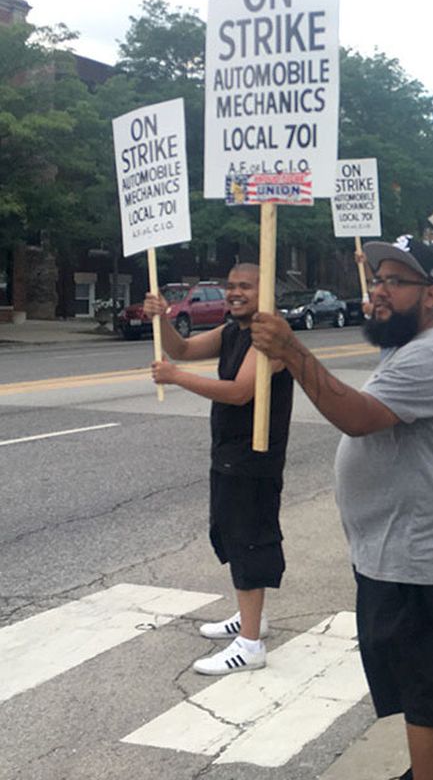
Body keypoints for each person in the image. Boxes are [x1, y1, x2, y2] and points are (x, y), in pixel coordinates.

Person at [250, 236, 433, 780]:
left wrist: (294, 351)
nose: (380, 291)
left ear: (431, 295)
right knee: (401, 666)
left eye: (396, 282)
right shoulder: (403, 345)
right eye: (377, 280)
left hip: (414, 546)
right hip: (386, 543)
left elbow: (357, 416)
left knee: (423, 682)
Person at [143, 264, 293, 676]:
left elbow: (241, 392)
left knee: (249, 540)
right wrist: (163, 318)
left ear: (266, 293)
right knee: (231, 534)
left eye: (245, 286)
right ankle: (252, 620)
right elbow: (183, 350)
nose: (234, 293)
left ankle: (250, 645)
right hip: (229, 452)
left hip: (254, 457)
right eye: (231, 286)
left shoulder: (270, 337)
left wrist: (177, 379)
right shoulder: (233, 332)